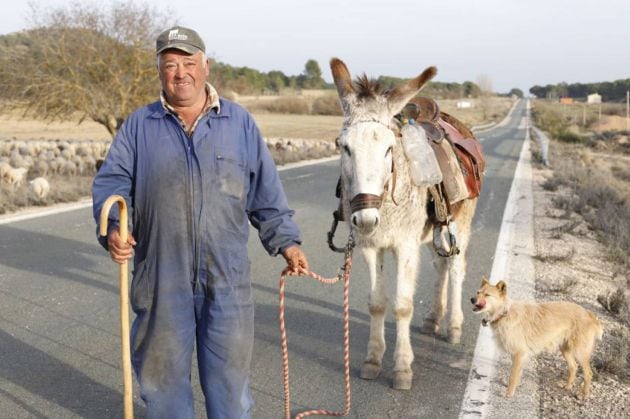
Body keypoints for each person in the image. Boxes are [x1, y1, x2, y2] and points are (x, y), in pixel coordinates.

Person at [92, 25, 309, 418]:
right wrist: (112, 229)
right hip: (161, 277)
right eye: (170, 64)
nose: (180, 73)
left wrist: (287, 243)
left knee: (230, 388)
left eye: (188, 62)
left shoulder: (239, 123)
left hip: (227, 276)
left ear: (205, 66)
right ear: (159, 71)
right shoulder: (139, 126)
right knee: (163, 386)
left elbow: (265, 193)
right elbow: (112, 185)